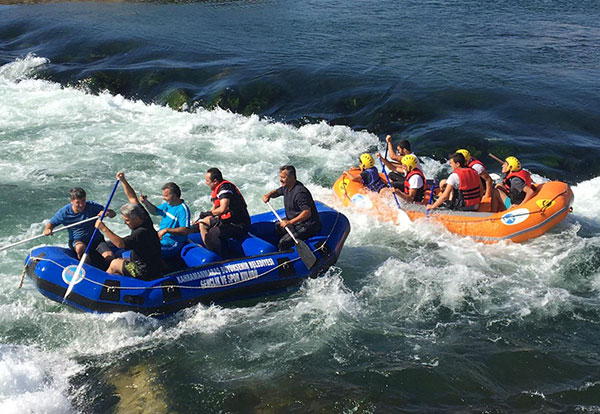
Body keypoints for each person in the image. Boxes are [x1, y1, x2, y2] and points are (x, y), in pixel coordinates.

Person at [161, 168, 250, 258]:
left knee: (213, 233)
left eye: (207, 181)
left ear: (215, 181)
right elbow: (214, 210)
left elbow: (223, 209)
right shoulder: (216, 190)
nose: (206, 183)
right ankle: (211, 252)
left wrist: (208, 213)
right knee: (202, 224)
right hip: (225, 220)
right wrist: (202, 219)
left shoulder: (225, 188)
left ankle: (221, 257)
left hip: (239, 223)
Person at [94, 172, 162, 279]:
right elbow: (132, 198)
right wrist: (123, 181)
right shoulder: (144, 217)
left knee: (114, 263)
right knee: (123, 260)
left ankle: (100, 284)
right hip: (151, 263)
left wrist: (103, 228)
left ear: (135, 218)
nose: (125, 223)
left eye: (127, 220)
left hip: (143, 271)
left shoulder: (140, 233)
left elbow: (120, 244)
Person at [43, 187, 116, 267]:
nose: (81, 205)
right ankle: (87, 269)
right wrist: (47, 229)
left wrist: (107, 213)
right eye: (77, 202)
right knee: (80, 247)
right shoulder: (64, 213)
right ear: (71, 201)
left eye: (83, 201)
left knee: (109, 256)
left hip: (96, 240)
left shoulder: (92, 206)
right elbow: (51, 224)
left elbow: (113, 214)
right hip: (77, 241)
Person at [262, 165, 322, 251]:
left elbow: (307, 212)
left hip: (307, 225)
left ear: (291, 177)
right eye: (280, 177)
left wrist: (290, 222)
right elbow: (277, 192)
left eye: (283, 177)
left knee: (284, 242)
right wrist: (268, 195)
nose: (280, 180)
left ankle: (285, 255)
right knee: (277, 227)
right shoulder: (286, 187)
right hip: (295, 221)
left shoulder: (300, 193)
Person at [138, 182, 190, 258]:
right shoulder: (168, 204)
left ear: (174, 196)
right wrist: (145, 202)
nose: (163, 198)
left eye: (166, 196)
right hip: (162, 239)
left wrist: (167, 230)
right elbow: (155, 211)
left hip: (173, 242)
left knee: (147, 251)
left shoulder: (182, 210)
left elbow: (185, 230)